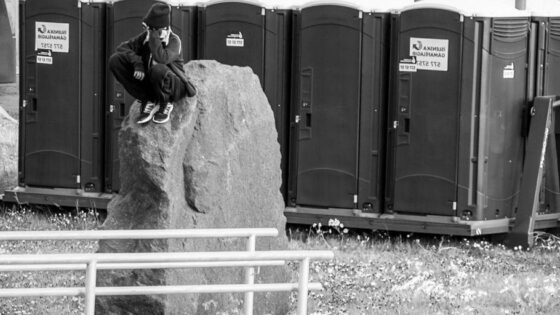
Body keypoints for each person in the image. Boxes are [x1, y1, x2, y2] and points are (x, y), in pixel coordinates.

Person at [108, 2, 196, 124]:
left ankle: (165, 103)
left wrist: (154, 37)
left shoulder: (174, 41)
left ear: (158, 28)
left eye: (149, 28)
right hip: (152, 84)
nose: (146, 30)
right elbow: (122, 48)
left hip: (174, 87)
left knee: (158, 69)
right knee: (115, 60)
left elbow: (162, 58)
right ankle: (148, 98)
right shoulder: (146, 37)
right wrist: (137, 63)